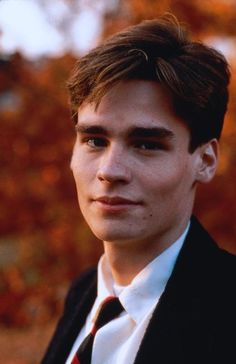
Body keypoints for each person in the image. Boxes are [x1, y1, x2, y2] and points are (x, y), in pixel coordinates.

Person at [42, 16, 236, 364]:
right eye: (94, 140)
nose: (109, 171)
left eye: (146, 145)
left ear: (205, 160)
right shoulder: (84, 295)